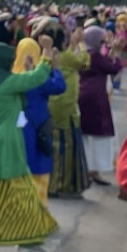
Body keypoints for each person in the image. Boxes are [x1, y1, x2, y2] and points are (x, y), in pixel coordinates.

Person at [0, 40, 58, 252]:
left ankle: (30, 241)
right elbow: (37, 79)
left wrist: (30, 68)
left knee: (23, 193)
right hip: (0, 145)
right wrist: (47, 55)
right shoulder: (5, 83)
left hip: (0, 143)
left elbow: (27, 84)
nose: (11, 64)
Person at [12, 38, 66, 207]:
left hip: (19, 126)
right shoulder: (39, 79)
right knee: (39, 165)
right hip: (40, 126)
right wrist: (55, 69)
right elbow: (59, 87)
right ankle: (38, 212)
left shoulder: (13, 77)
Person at [48, 26, 91, 198]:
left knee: (59, 145)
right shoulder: (64, 57)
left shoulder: (54, 55)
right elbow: (85, 62)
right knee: (64, 147)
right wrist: (80, 44)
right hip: (65, 107)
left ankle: (57, 183)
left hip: (58, 104)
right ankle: (60, 185)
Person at [79, 26, 123, 186]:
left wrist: (111, 53)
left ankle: (88, 168)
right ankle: (95, 170)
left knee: (86, 134)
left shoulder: (83, 54)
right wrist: (116, 54)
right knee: (99, 135)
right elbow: (113, 68)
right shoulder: (96, 56)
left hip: (83, 94)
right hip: (97, 97)